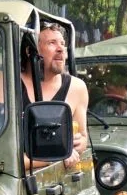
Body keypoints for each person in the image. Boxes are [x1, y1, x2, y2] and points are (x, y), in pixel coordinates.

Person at [20, 22, 89, 168]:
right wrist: (57, 157)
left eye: (63, 44)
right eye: (52, 43)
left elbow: (82, 138)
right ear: (29, 51)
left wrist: (79, 143)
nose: (60, 49)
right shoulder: (7, 83)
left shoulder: (77, 87)